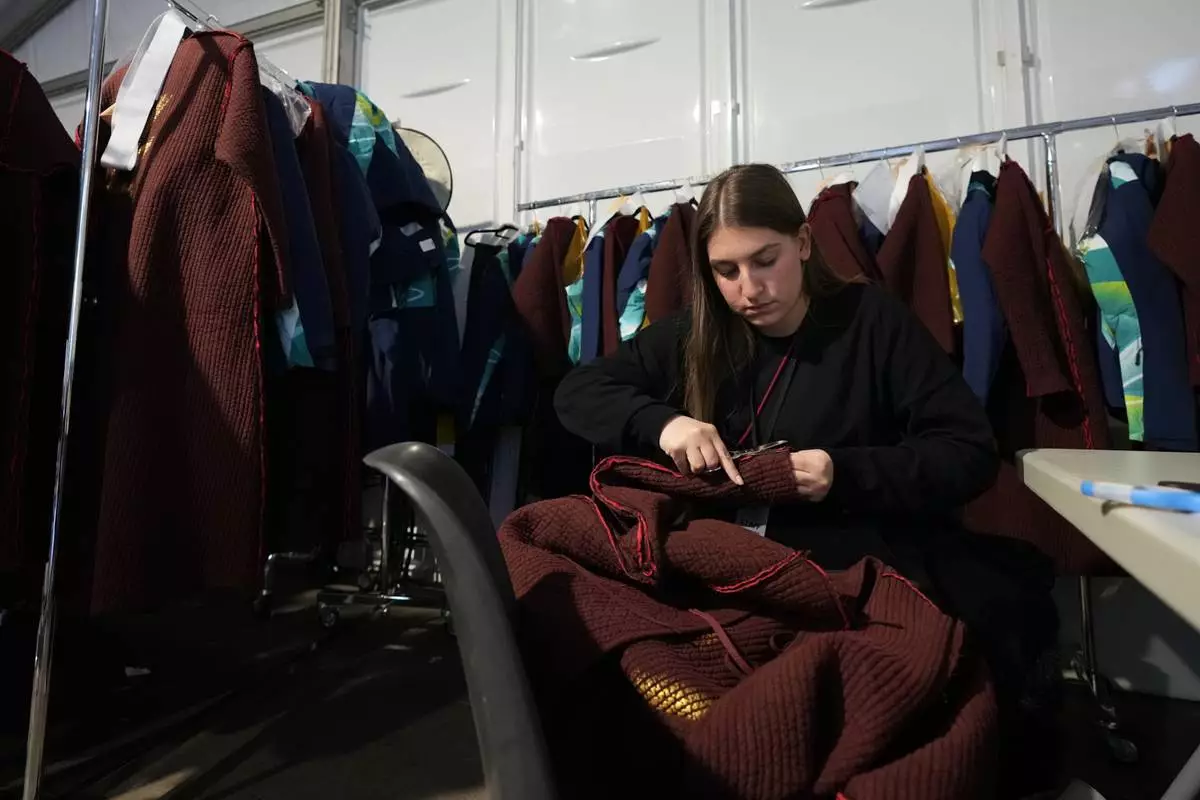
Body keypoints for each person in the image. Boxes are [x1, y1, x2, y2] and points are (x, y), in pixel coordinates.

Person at [554, 164, 1059, 747]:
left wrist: (844, 473)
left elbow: (967, 453)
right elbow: (578, 392)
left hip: (851, 557)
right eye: (726, 270)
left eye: (765, 261)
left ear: (802, 243)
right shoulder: (698, 333)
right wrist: (663, 423)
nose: (748, 288)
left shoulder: (873, 324)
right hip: (730, 565)